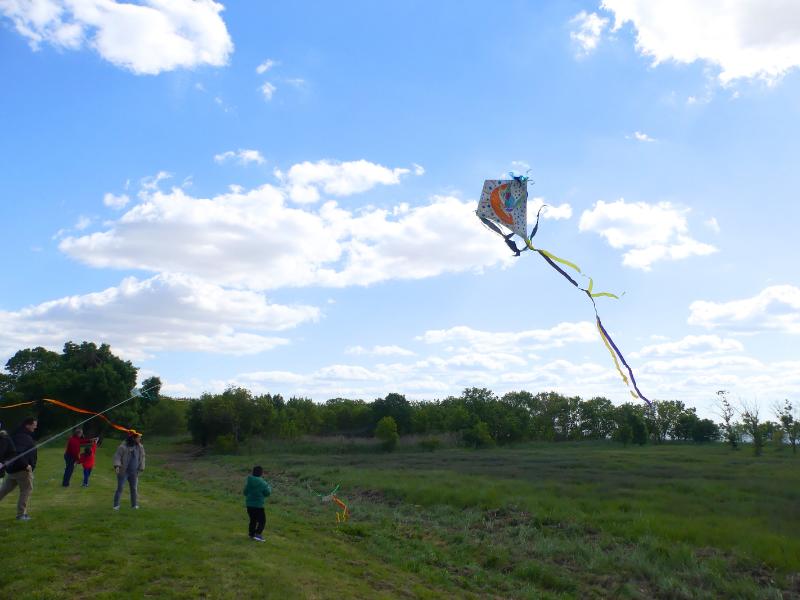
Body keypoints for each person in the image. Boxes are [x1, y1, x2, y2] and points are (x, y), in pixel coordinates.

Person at [0, 417, 38, 521]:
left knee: (3, 490)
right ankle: (21, 515)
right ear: (27, 425)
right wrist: (26, 465)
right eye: (34, 425)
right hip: (21, 469)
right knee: (26, 490)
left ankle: (21, 514)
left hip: (12, 470)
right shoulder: (22, 437)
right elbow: (17, 453)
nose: (35, 427)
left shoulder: (18, 434)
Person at [112, 433, 145, 510]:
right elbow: (117, 456)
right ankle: (116, 505)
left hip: (134, 472)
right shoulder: (123, 447)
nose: (140, 439)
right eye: (138, 437)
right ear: (133, 438)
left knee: (134, 488)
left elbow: (142, 457)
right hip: (123, 471)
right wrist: (117, 466)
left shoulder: (140, 447)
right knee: (120, 488)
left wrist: (141, 468)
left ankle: (134, 505)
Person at [243, 465, 271, 542]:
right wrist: (269, 488)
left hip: (249, 505)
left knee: (253, 520)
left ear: (253, 472)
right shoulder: (263, 483)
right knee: (262, 521)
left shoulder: (249, 482)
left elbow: (245, 492)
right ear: (261, 473)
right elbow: (267, 493)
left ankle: (251, 534)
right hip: (258, 506)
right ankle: (258, 534)